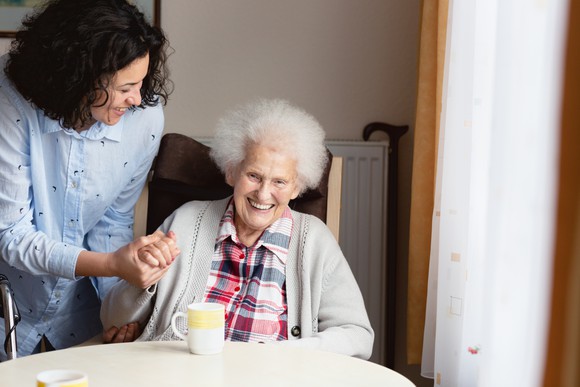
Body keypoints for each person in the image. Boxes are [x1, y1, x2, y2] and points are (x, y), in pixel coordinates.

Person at [101, 99, 374, 359]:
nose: (264, 194)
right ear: (232, 171)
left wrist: (290, 354)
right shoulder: (185, 221)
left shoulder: (314, 241)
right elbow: (111, 319)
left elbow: (358, 335)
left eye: (280, 181)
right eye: (254, 176)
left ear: (297, 187)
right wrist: (142, 278)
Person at [0, 0, 180, 360]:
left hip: (81, 311)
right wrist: (112, 264)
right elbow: (11, 235)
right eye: (126, 86)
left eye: (142, 82)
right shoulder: (12, 105)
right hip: (10, 301)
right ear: (80, 78)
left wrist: (119, 308)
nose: (136, 98)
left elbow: (113, 221)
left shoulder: (144, 118)